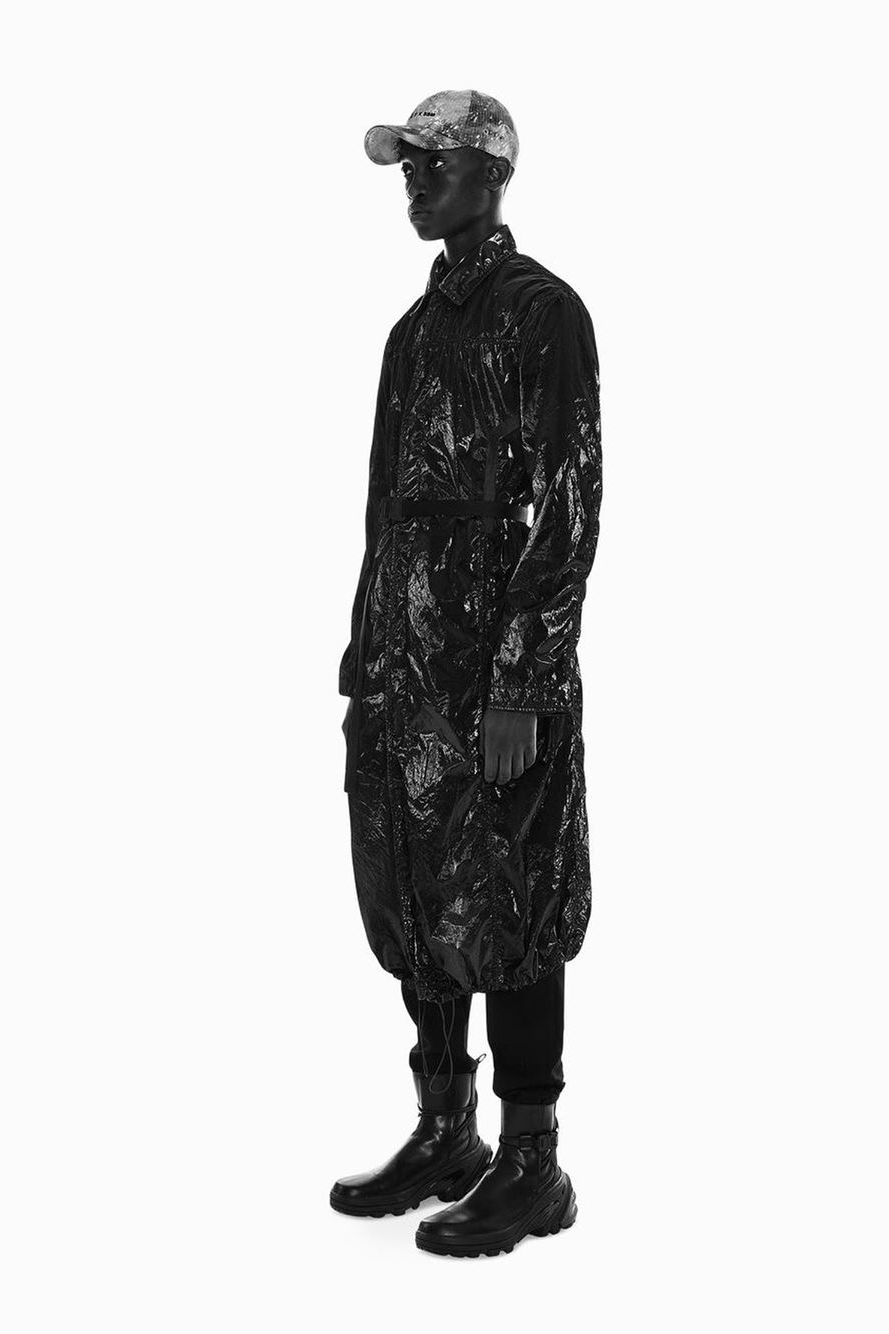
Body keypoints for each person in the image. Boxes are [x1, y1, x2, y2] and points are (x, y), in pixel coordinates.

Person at [329, 90, 603, 1258]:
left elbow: (571, 499)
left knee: (511, 899)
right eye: (407, 166)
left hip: (493, 666)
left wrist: (521, 679)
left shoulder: (542, 311)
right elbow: (385, 505)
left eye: (432, 163)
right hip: (405, 669)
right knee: (409, 889)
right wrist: (365, 652)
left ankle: (533, 1160)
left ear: (489, 173)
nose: (414, 181)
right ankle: (446, 1129)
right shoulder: (411, 332)